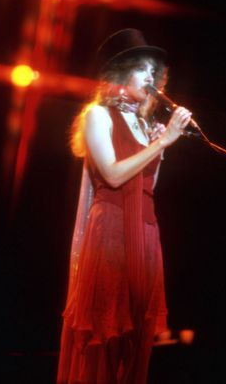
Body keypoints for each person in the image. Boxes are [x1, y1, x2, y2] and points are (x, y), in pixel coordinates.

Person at [57, 28, 192, 384]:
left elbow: (148, 188)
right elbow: (114, 176)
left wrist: (159, 149)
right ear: (120, 73)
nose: (151, 77)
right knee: (106, 334)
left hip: (146, 232)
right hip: (113, 231)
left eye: (154, 71)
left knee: (135, 339)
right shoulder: (98, 115)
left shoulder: (145, 123)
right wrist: (163, 140)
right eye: (142, 68)